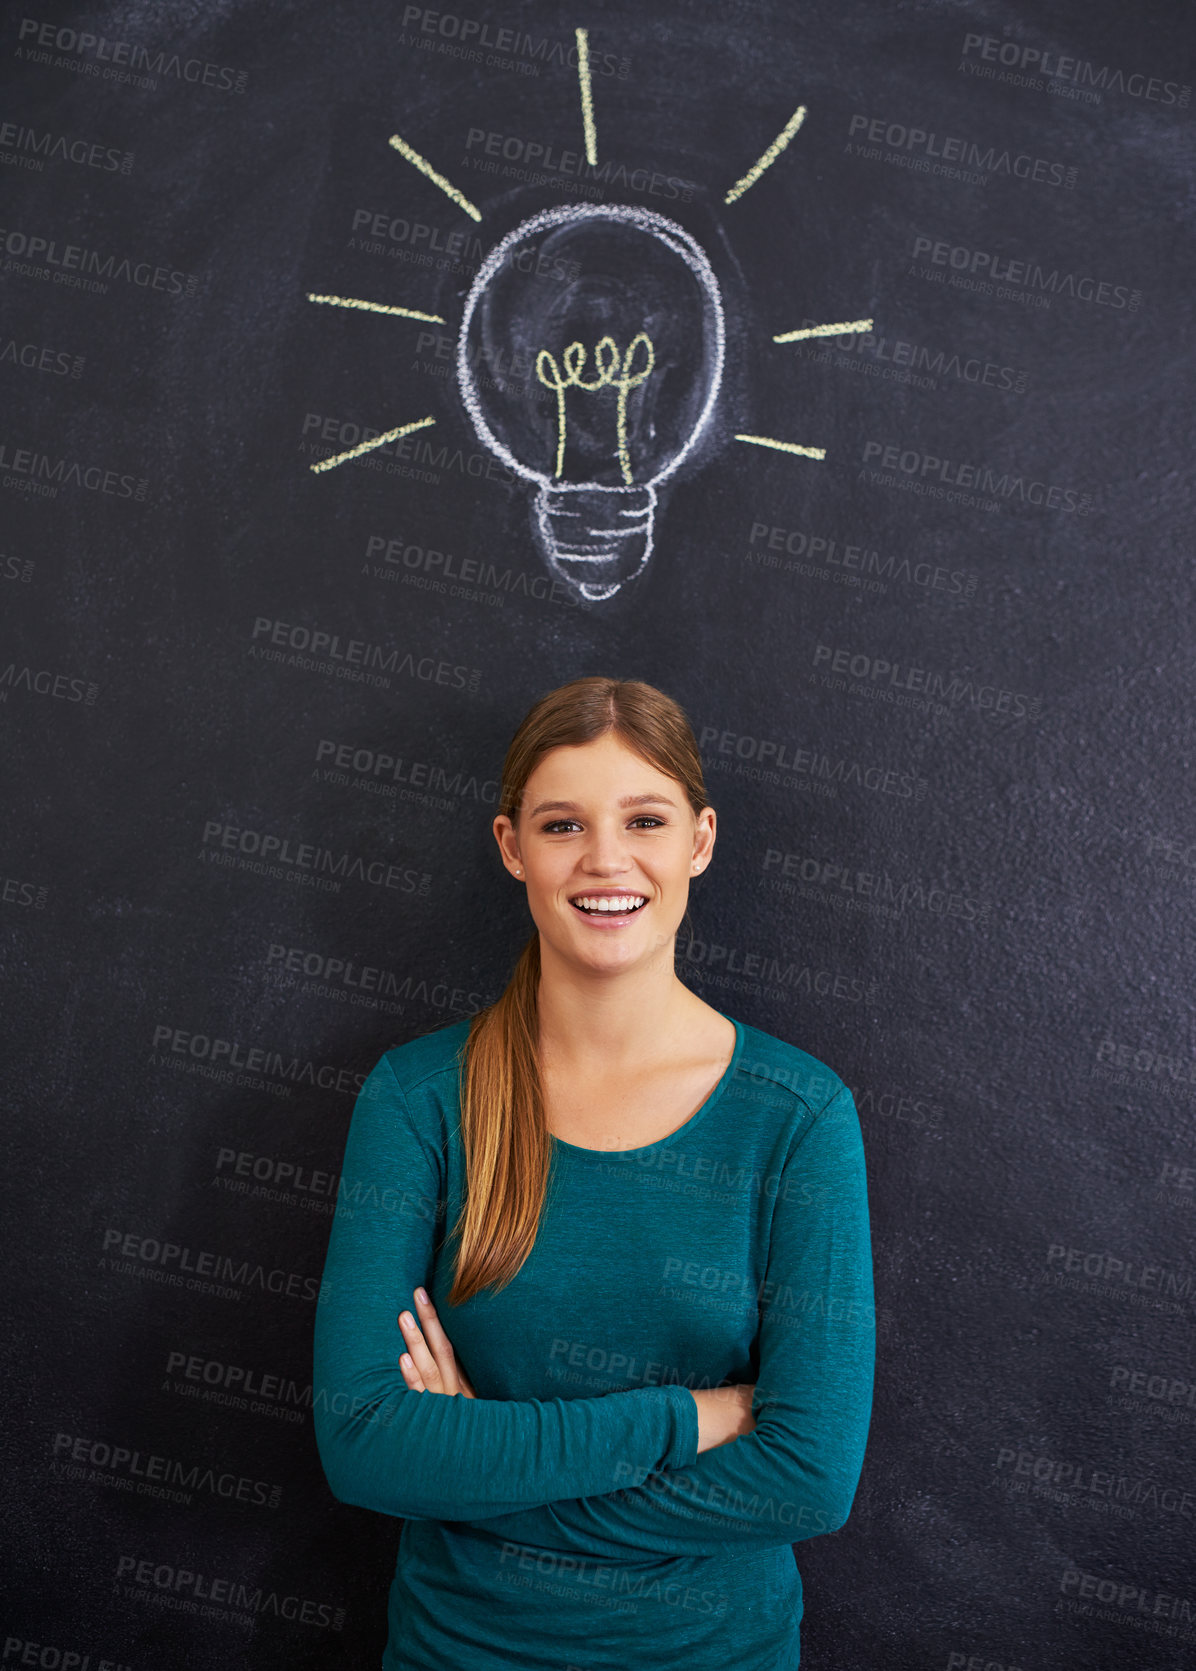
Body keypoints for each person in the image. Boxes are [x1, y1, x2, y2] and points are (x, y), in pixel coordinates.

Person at [313, 675, 875, 1670]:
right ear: (510, 848)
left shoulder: (798, 1117)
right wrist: (687, 1419)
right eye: (563, 824)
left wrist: (480, 1474)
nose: (605, 860)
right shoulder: (417, 1100)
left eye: (644, 820)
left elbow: (806, 1479)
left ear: (697, 842)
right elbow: (364, 1443)